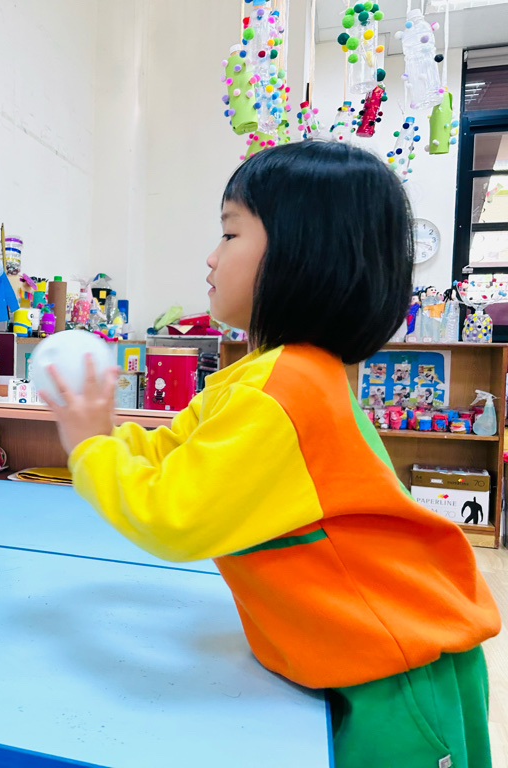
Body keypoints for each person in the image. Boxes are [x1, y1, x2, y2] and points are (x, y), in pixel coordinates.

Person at [40, 142, 501, 768]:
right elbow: (173, 453)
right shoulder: (262, 376)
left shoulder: (283, 390)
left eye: (230, 233)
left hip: (400, 671)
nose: (210, 256)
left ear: (301, 253)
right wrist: (102, 432)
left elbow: (172, 514)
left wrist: (91, 446)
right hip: (372, 655)